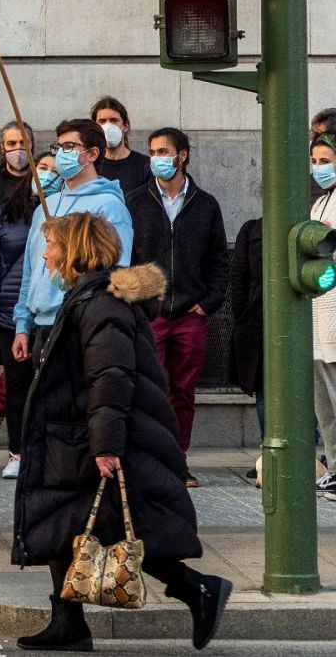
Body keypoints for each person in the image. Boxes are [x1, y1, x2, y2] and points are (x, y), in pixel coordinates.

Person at [12, 211, 230, 652]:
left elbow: (111, 377)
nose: (46, 253)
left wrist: (106, 444)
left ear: (73, 251)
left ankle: (196, 588)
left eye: (52, 245)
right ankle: (68, 622)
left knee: (124, 525)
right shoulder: (87, 297)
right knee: (60, 524)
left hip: (90, 436)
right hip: (71, 433)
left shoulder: (100, 304)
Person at [125, 128, 229, 484]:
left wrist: (208, 303)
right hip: (150, 313)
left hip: (190, 315)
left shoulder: (205, 204)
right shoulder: (135, 201)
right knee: (151, 389)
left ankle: (176, 460)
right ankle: (149, 460)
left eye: (163, 151)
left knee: (182, 392)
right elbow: (126, 256)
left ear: (182, 155)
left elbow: (219, 260)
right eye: (152, 151)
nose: (156, 157)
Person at [13, 120, 134, 366]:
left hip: (79, 325)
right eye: (58, 147)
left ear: (92, 154)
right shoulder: (44, 209)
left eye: (69, 146)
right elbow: (31, 271)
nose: (60, 154)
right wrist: (22, 325)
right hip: (41, 327)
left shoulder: (108, 207)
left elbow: (115, 272)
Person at [0, 152, 54, 479]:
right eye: (42, 167)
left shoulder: (66, 210)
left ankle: (48, 453)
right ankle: (18, 452)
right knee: (19, 384)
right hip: (11, 313)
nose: (47, 173)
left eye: (54, 168)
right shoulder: (3, 213)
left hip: (52, 313)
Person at [309, 136, 336, 501]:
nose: (318, 166)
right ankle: (333, 463)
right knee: (323, 402)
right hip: (317, 312)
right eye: (314, 159)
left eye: (325, 158)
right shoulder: (318, 203)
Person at [228, 217, 265, 442]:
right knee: (264, 391)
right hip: (257, 321)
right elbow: (238, 274)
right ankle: (267, 450)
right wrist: (242, 313)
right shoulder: (252, 229)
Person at [91, 96, 152, 194]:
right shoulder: (90, 165)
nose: (108, 126)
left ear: (125, 126)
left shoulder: (145, 165)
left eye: (114, 120)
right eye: (102, 121)